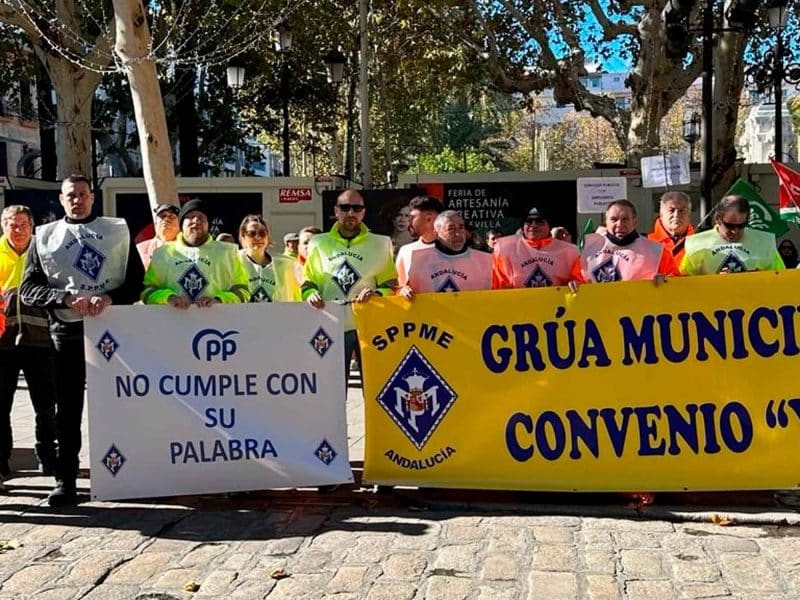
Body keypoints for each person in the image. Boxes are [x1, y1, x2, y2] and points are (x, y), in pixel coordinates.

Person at [20, 174, 144, 507]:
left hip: (113, 334)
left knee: (119, 406)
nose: (77, 200)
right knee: (68, 411)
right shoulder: (45, 237)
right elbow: (28, 289)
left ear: (93, 197)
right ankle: (66, 480)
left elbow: (136, 282)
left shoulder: (117, 231)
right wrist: (63, 298)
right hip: (66, 333)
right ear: (61, 200)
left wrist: (110, 298)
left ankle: (128, 475)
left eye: (83, 194)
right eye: (70, 195)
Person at [302, 189, 396, 378]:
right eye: (345, 208)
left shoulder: (381, 243)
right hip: (330, 324)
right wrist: (310, 294)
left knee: (374, 387)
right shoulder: (318, 243)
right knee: (331, 389)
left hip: (369, 326)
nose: (350, 213)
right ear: (336, 211)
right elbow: (308, 281)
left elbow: (391, 285)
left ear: (363, 212)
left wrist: (377, 294)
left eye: (356, 208)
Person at [0, 206, 57, 484]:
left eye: (23, 223)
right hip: (3, 344)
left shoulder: (43, 252)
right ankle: (1, 462)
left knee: (46, 406)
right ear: (3, 226)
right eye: (12, 224)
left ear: (32, 226)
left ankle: (48, 458)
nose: (18, 229)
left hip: (40, 342)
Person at [142, 198, 250, 307]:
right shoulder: (162, 253)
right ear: (181, 225)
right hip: (173, 320)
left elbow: (242, 291)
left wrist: (219, 300)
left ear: (208, 225)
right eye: (190, 217)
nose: (195, 220)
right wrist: (169, 298)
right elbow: (148, 291)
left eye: (201, 217)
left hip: (216, 321)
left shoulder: (228, 253)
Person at [571, 200, 679, 284]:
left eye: (625, 219)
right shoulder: (590, 248)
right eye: (614, 219)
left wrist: (666, 281)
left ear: (635, 222)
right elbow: (576, 280)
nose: (619, 224)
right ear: (606, 222)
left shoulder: (656, 252)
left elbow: (676, 282)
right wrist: (574, 284)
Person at [680, 195, 784, 275]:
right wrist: (716, 282)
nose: (735, 231)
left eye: (741, 225)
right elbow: (684, 282)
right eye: (729, 225)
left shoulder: (764, 243)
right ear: (717, 219)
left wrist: (753, 277)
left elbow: (781, 277)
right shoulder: (697, 244)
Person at [400, 211, 492, 298]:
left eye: (461, 227)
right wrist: (403, 292)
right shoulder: (419, 261)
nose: (458, 234)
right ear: (436, 234)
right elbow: (401, 289)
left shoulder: (486, 261)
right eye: (451, 229)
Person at [493, 206, 579, 289]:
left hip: (556, 302)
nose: (533, 225)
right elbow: (497, 285)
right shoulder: (505, 249)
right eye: (529, 221)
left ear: (549, 226)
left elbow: (580, 280)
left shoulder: (569, 251)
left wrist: (575, 283)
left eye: (539, 221)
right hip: (518, 302)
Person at [238, 215, 300, 302]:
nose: (258, 237)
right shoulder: (234, 261)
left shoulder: (286, 264)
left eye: (262, 233)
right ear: (243, 236)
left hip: (277, 314)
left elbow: (297, 297)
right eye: (252, 234)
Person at [395, 195, 443, 286]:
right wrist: (402, 290)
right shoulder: (405, 251)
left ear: (429, 219)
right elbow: (398, 286)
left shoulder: (455, 250)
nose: (408, 222)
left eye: (412, 217)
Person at [647, 191, 695, 265]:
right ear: (661, 214)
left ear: (689, 215)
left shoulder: (699, 243)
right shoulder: (647, 244)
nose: (676, 215)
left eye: (682, 211)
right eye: (671, 210)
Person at [136, 203, 180, 269]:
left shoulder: (190, 249)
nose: (167, 219)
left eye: (172, 217)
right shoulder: (141, 249)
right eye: (162, 216)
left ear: (179, 225)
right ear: (156, 224)